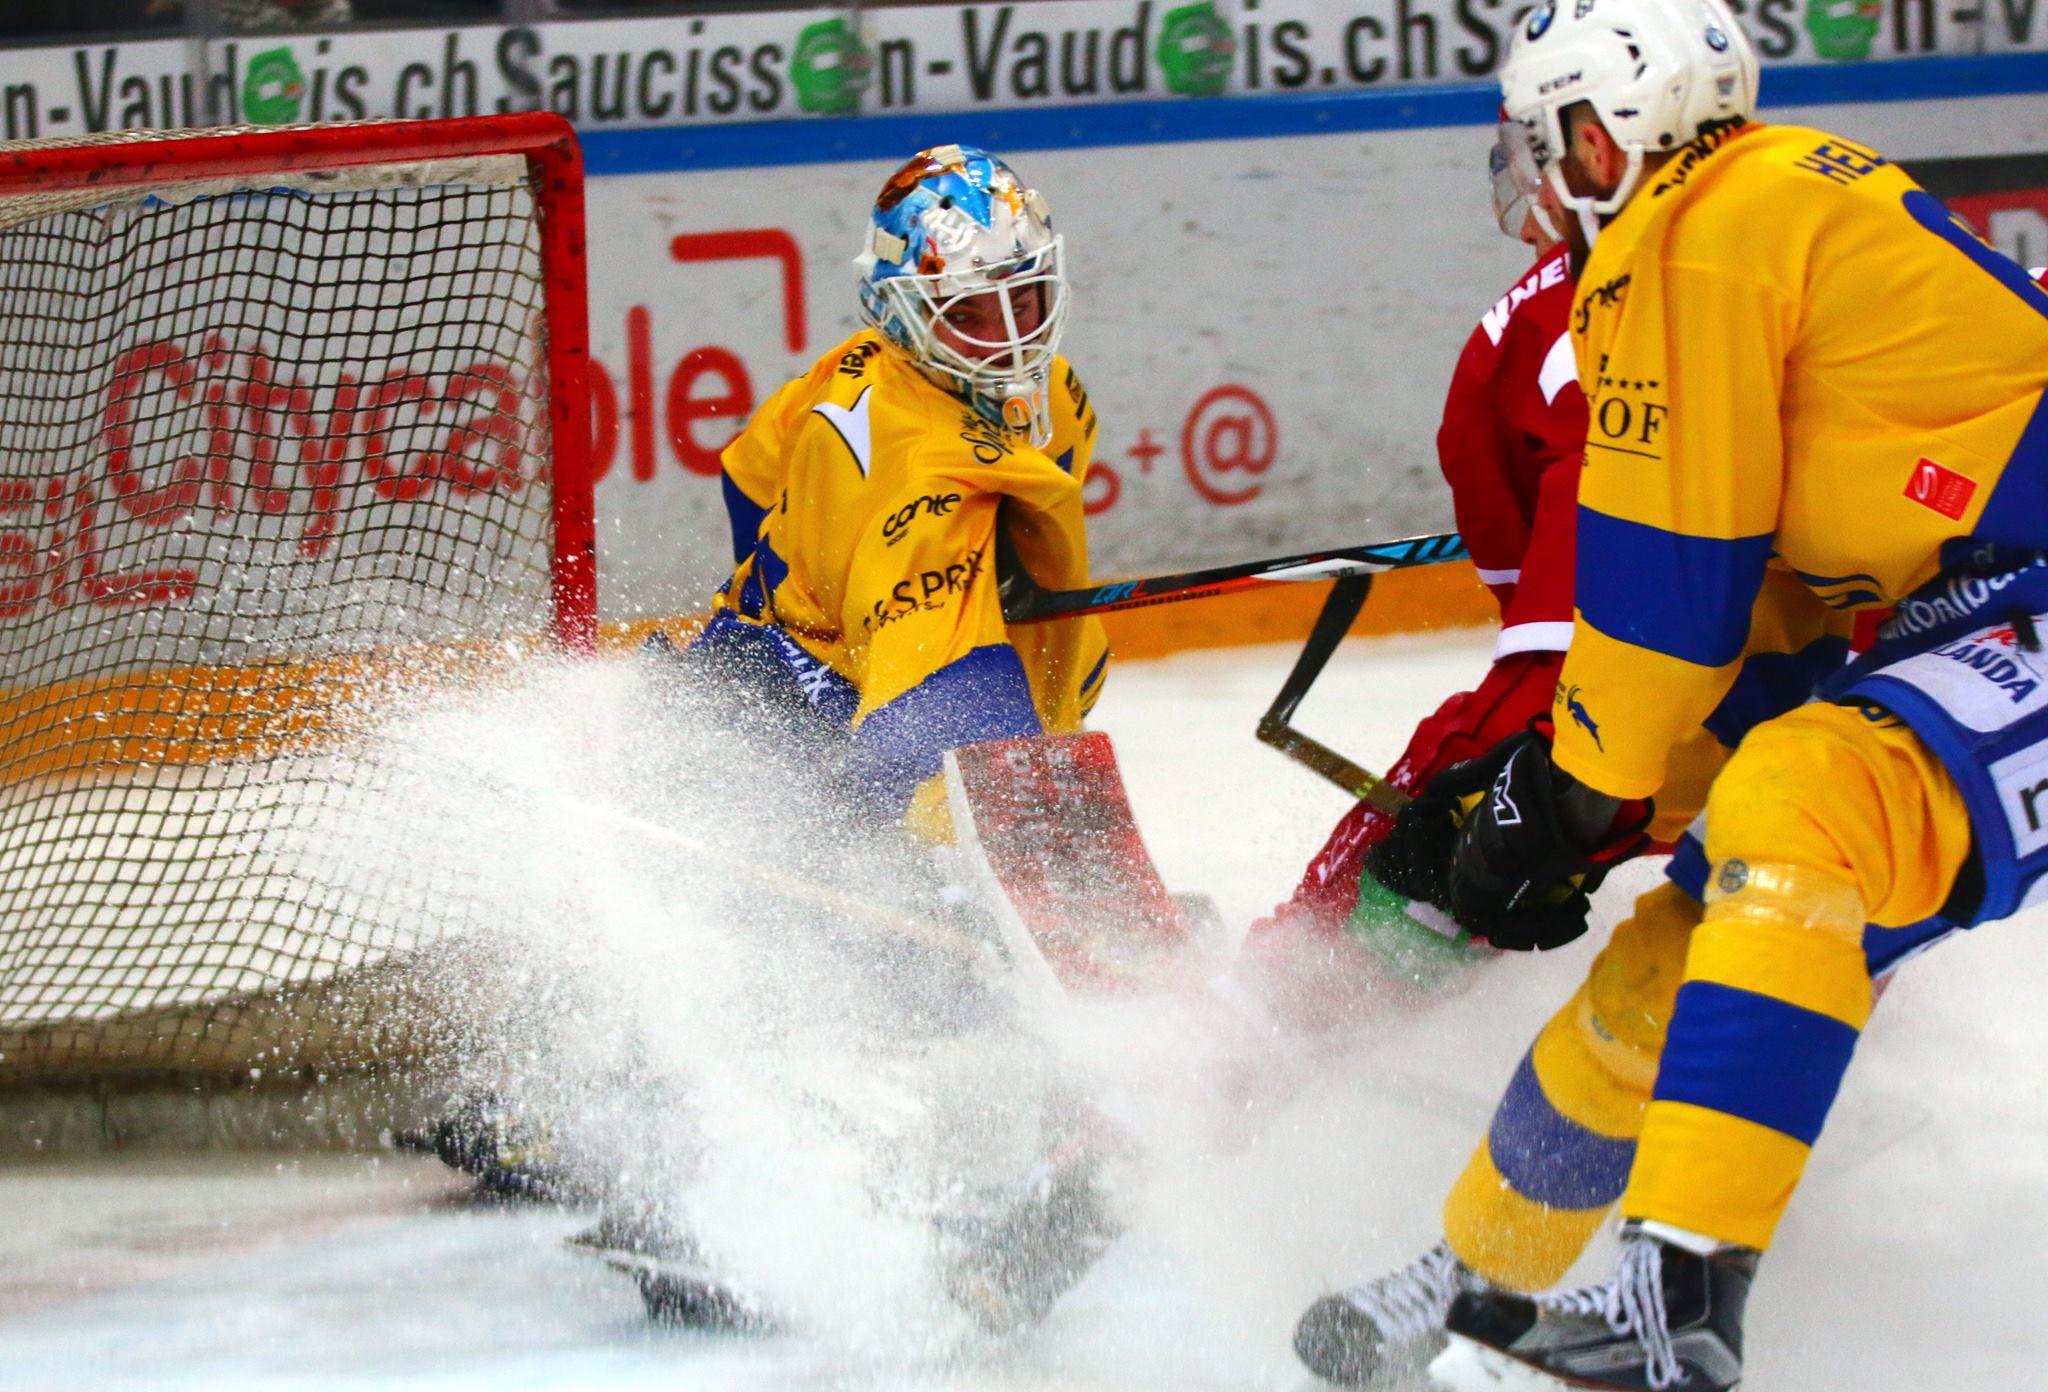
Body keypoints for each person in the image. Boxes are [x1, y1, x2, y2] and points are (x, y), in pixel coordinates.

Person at [1300, 1, 2048, 1388]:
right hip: (1971, 609)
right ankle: (1477, 1277)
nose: (1533, 179)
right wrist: (1583, 798)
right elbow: (1757, 618)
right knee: (1682, 954)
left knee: (1797, 805)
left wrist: (1558, 793)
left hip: (2013, 604)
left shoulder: (1679, 247)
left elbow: (1667, 592)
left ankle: (1679, 1304)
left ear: (1599, 133)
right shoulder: (1759, 202)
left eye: (1543, 143)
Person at [690, 143, 1107, 837]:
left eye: (1022, 300)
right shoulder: (920, 468)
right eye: (968, 315)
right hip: (775, 718)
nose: (1007, 342)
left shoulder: (1042, 390)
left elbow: (747, 476)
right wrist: (966, 853)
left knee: (1061, 665)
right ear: (904, 316)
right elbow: (944, 707)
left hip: (756, 661)